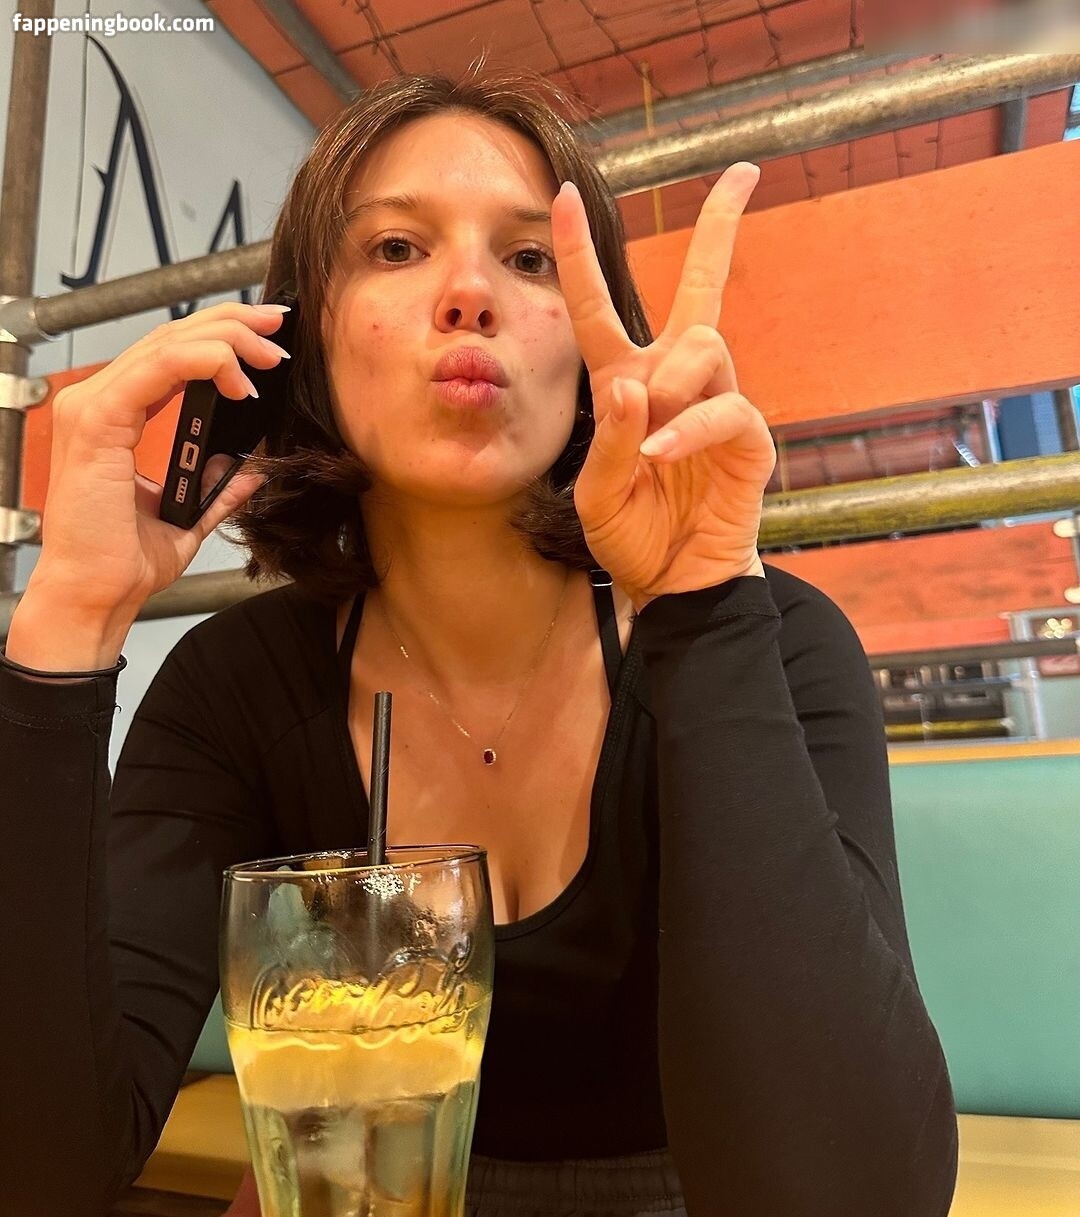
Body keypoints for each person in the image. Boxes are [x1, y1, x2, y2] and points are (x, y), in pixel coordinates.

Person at [0, 70, 958, 1217]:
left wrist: (703, 602)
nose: (468, 293)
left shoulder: (778, 641)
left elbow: (851, 1194)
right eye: (396, 248)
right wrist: (68, 622)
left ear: (592, 348)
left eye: (531, 257)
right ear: (304, 337)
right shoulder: (234, 686)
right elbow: (39, 1170)